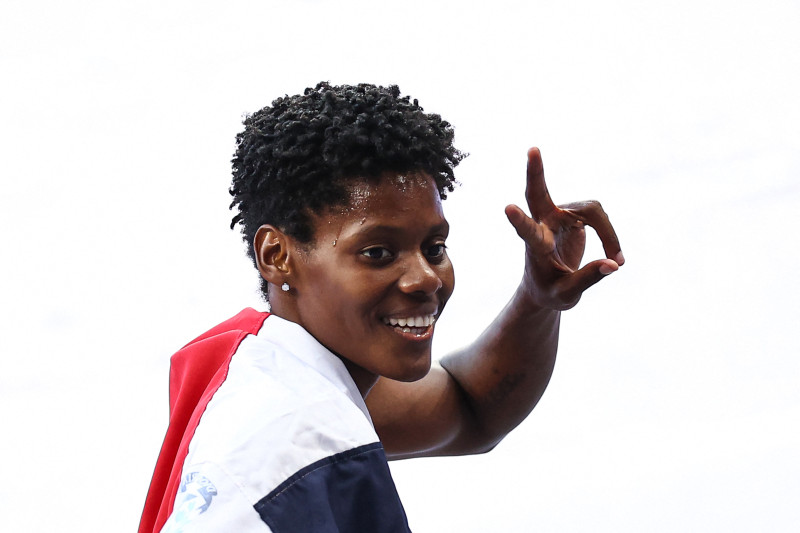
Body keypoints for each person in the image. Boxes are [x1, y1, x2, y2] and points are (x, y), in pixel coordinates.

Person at [139, 82, 623, 532]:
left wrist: (538, 300)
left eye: (434, 247)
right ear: (277, 256)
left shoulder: (257, 364)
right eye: (378, 253)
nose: (425, 278)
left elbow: (470, 408)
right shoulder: (301, 446)